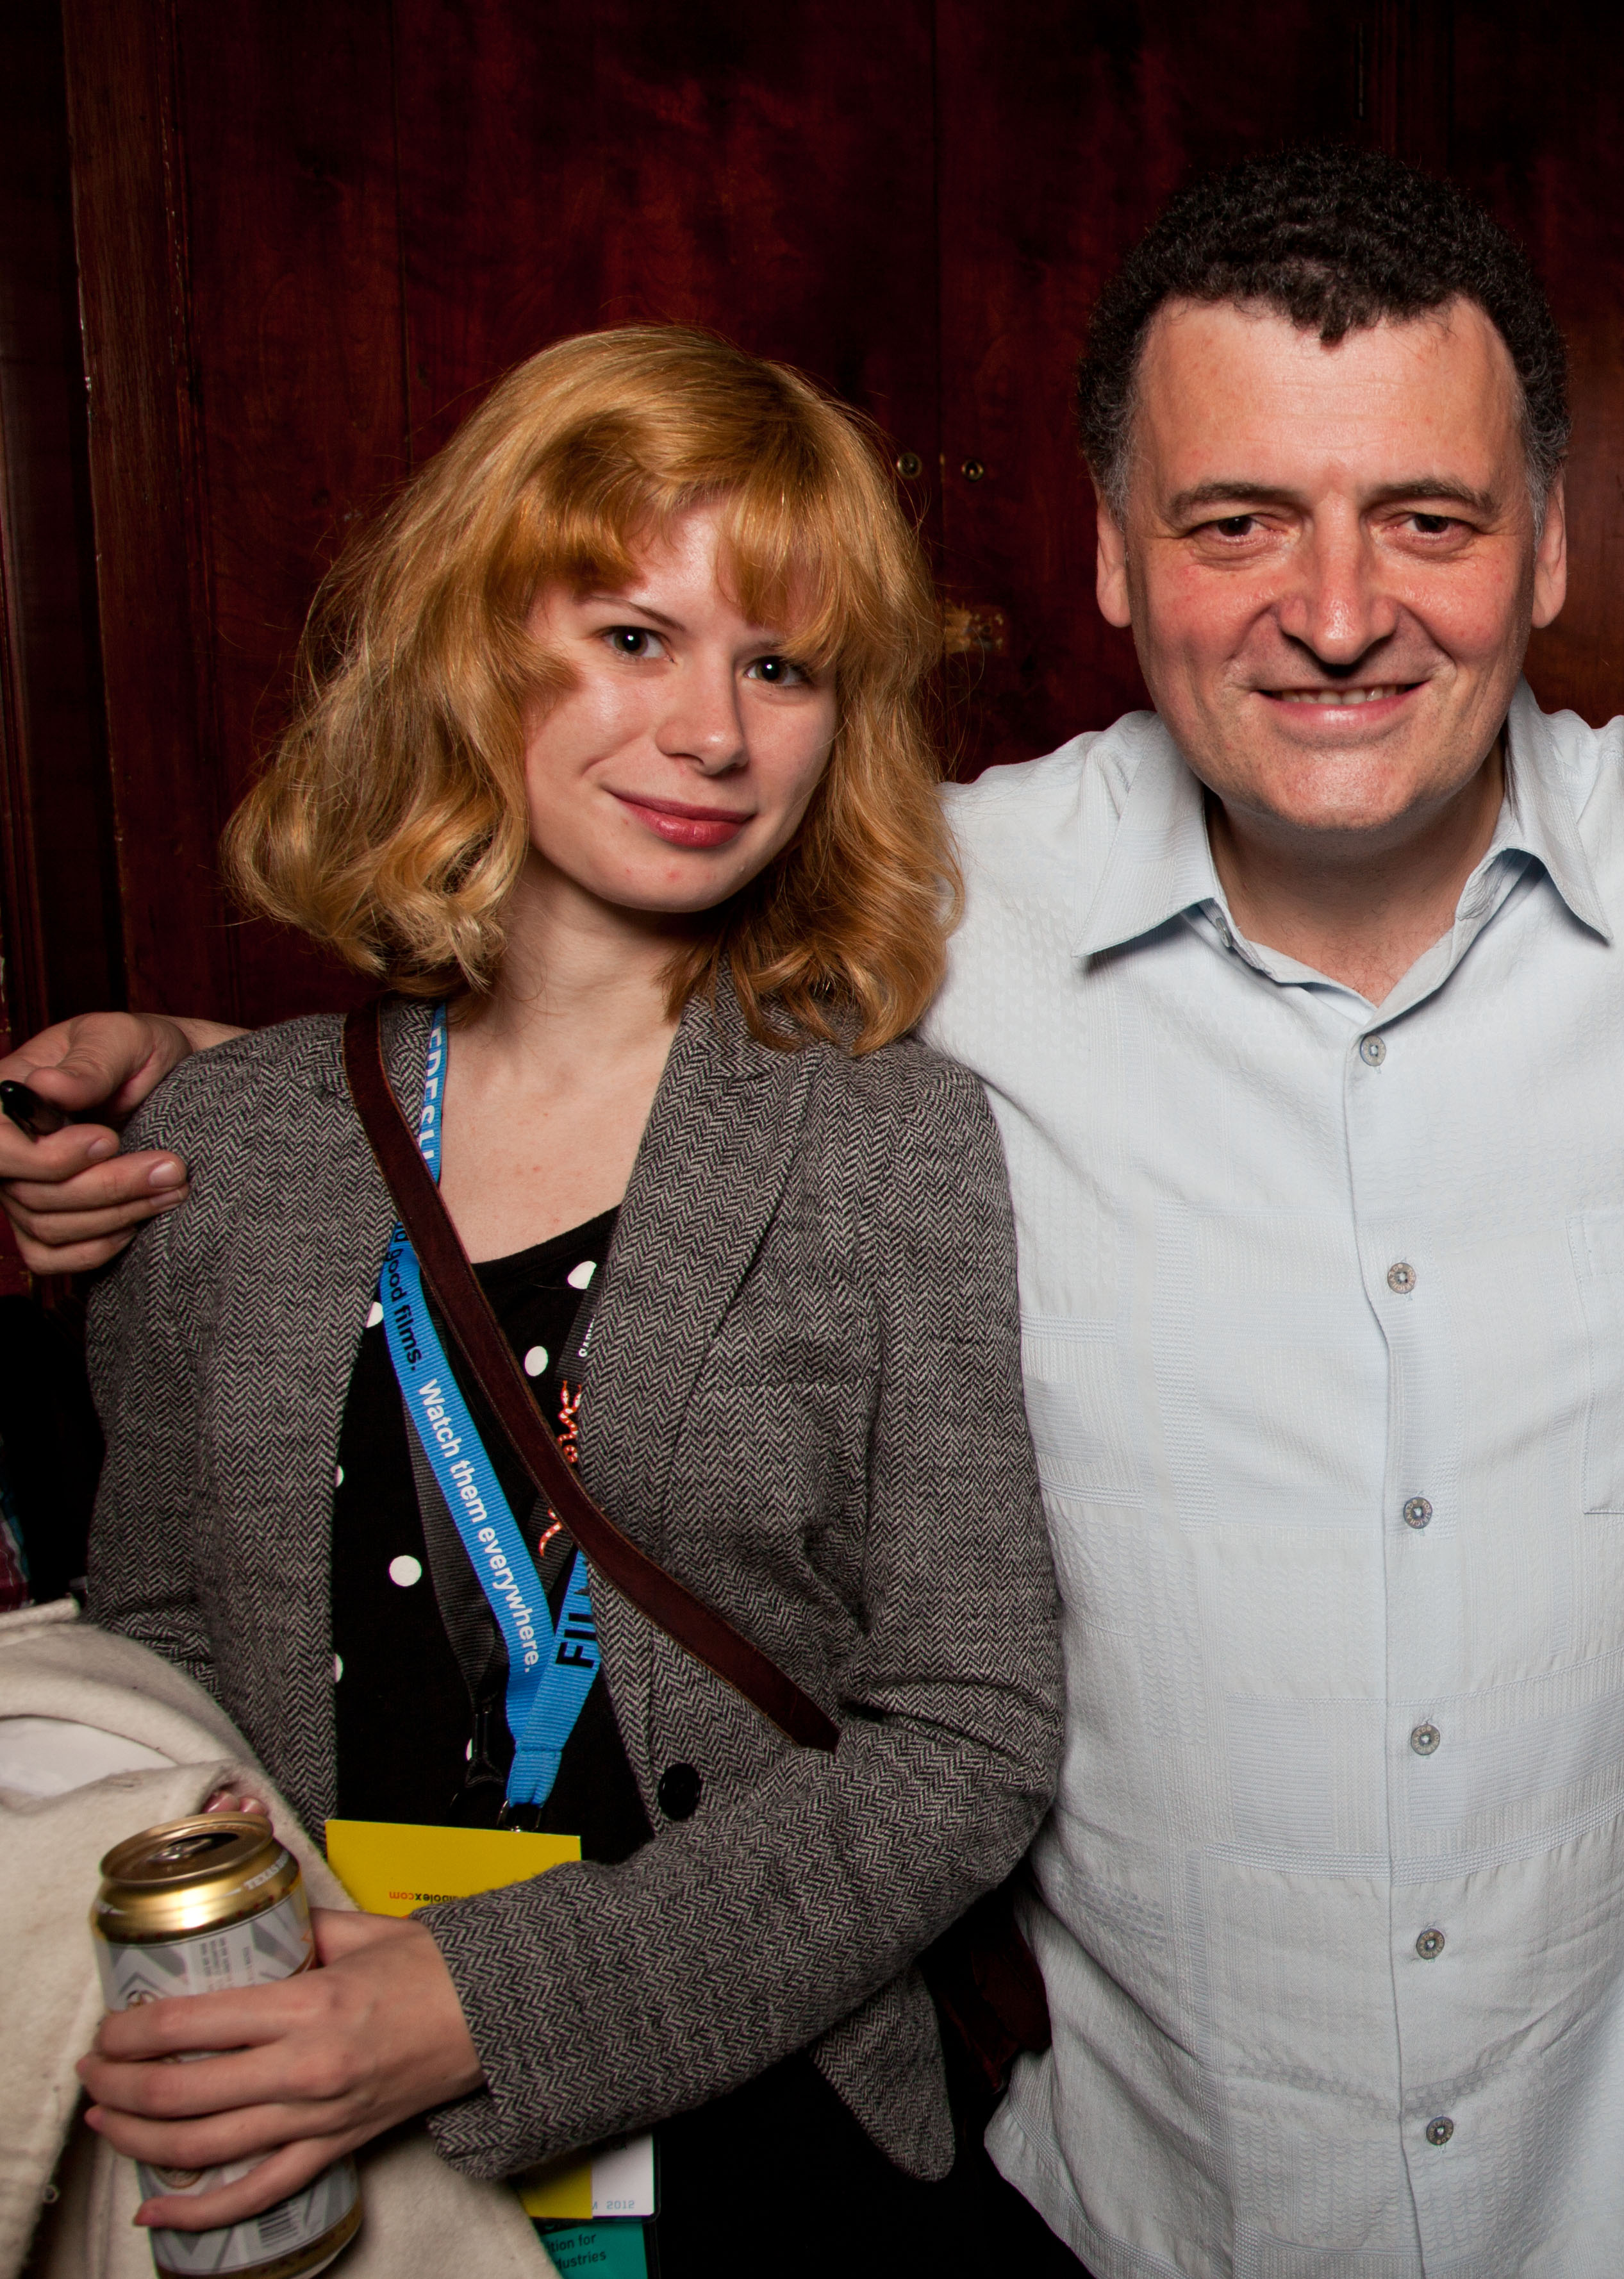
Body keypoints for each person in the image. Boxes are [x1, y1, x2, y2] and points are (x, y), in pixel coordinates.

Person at [6, 149, 1624, 2278]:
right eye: (1237, 523)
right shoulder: (943, 909)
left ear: (1556, 546)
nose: (1337, 612)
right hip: (1139, 2210)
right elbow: (570, 981)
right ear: (1117, 557)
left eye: (1428, 516)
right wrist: (217, 1110)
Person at [62, 325, 1077, 2271]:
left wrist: (475, 2004)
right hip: (317, 2160)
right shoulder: (234, 1147)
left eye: (778, 664)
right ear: (475, 642)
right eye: (632, 635)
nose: (713, 731)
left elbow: (969, 1728)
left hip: (772, 2152)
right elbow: (156, 1653)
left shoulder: (891, 1145)